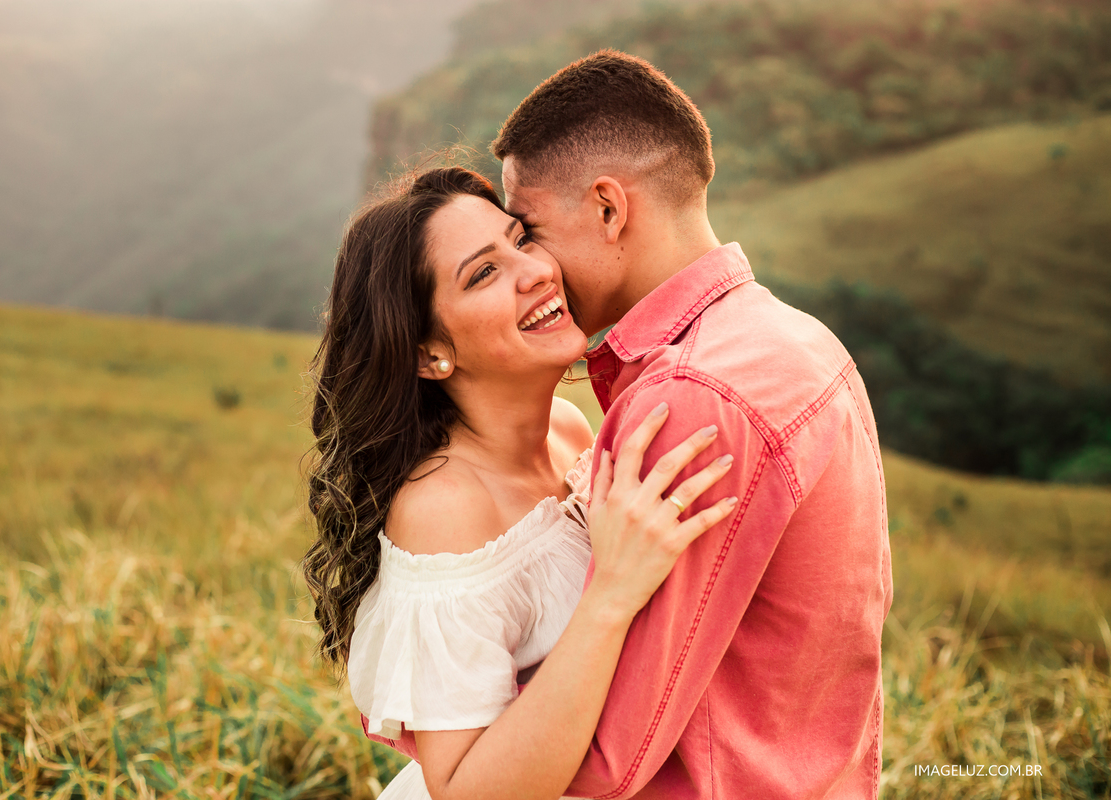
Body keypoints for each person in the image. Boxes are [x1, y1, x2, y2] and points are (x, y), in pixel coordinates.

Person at [484, 51, 894, 798]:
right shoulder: (801, 339)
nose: (531, 268)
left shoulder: (692, 398)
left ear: (609, 208)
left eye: (529, 229)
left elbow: (607, 760)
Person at [302, 166, 740, 800]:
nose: (536, 271)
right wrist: (611, 595)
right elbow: (463, 791)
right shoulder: (444, 509)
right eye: (483, 273)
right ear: (430, 354)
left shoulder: (566, 426)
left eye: (520, 239)